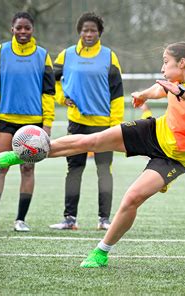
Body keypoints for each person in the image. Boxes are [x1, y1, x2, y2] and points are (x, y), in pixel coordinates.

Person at [0, 41, 185, 267]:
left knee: (132, 198)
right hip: (154, 132)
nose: (163, 68)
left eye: (166, 62)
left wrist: (180, 91)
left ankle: (101, 252)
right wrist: (144, 94)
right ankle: (27, 153)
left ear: (182, 63)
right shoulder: (176, 81)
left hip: (175, 157)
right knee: (92, 140)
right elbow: (161, 88)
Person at [0, 12, 55, 232]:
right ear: (12, 29)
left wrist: (47, 124)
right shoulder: (0, 52)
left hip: (33, 125)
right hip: (5, 122)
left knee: (28, 170)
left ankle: (20, 220)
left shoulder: (42, 55)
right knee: (0, 167)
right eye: (19, 27)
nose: (22, 32)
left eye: (27, 28)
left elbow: (48, 93)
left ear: (32, 30)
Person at [49, 12, 124, 231]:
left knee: (104, 170)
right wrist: (62, 98)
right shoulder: (67, 55)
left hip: (103, 123)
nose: (88, 34)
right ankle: (70, 219)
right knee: (74, 169)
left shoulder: (110, 56)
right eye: (85, 30)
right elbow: (50, 81)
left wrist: (116, 124)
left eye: (93, 30)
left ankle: (104, 220)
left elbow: (117, 93)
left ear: (99, 33)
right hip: (77, 122)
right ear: (79, 32)